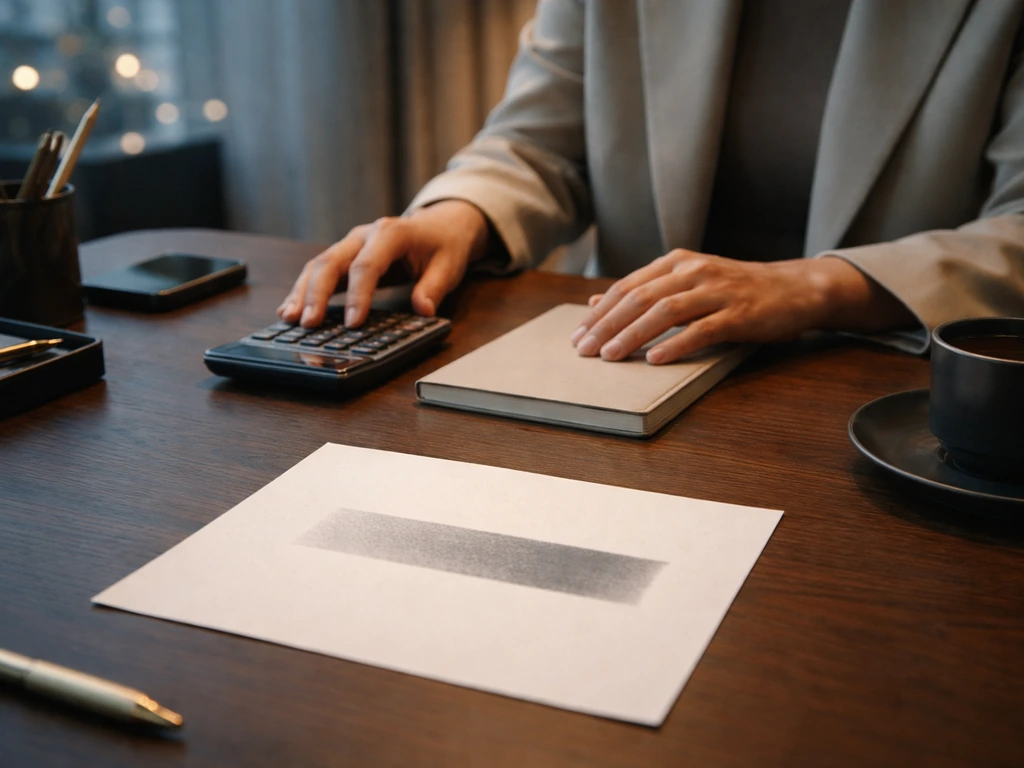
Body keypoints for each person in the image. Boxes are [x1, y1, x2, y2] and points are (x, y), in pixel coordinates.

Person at [279, 0, 1024, 364]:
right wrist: (458, 214)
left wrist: (813, 288)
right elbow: (537, 141)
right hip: (634, 365)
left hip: (881, 390)